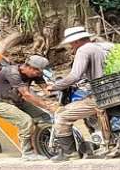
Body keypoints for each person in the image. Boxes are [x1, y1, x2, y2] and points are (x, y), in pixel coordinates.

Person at [47, 26, 114, 161]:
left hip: (100, 95)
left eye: (71, 43)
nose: (71, 46)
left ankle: (69, 154)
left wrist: (54, 86)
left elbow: (74, 76)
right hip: (114, 89)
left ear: (76, 41)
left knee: (62, 115)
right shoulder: (105, 46)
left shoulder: (83, 50)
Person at [0, 55, 56, 161]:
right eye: (38, 72)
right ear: (30, 67)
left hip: (16, 101)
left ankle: (42, 145)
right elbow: (26, 95)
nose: (39, 75)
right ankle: (27, 153)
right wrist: (47, 106)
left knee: (44, 117)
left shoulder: (36, 73)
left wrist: (59, 91)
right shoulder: (12, 72)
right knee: (26, 122)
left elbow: (46, 88)